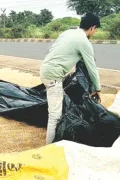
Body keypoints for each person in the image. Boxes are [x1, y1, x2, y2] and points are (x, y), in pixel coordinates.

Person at [40, 13, 102, 145]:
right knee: (55, 116)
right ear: (92, 27)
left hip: (46, 69)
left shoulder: (68, 32)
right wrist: (98, 89)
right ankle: (48, 148)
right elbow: (92, 68)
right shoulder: (84, 42)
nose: (95, 32)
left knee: (57, 110)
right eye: (95, 30)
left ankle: (54, 142)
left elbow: (57, 50)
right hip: (53, 76)